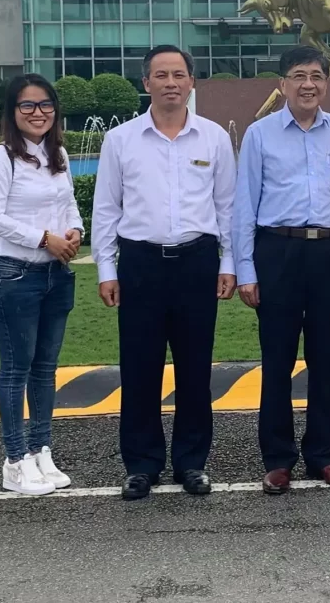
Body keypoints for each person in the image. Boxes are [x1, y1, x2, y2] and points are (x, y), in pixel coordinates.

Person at [91, 45, 237, 501]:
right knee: (140, 367)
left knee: (195, 368)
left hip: (197, 262)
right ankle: (142, 464)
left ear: (191, 81)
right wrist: (106, 267)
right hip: (141, 264)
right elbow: (106, 208)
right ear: (146, 83)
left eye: (178, 74)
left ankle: (192, 462)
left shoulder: (213, 138)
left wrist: (229, 262)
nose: (170, 82)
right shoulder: (121, 140)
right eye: (161, 75)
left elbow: (227, 207)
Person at [233, 46, 330, 495]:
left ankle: (323, 454)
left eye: (317, 76)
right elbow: (244, 203)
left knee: (325, 359)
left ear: (326, 83)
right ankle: (278, 458)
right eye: (299, 75)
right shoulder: (260, 134)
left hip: (329, 252)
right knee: (278, 359)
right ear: (283, 83)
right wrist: (246, 269)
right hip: (277, 252)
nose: (308, 84)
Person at [0, 74, 83, 497]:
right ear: (12, 111)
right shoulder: (0, 157)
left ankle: (41, 451)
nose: (38, 113)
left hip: (56, 274)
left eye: (45, 104)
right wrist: (44, 239)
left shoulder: (58, 154)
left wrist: (75, 230)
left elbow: (69, 201)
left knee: (45, 369)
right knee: (15, 369)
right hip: (16, 274)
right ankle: (15, 460)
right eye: (27, 105)